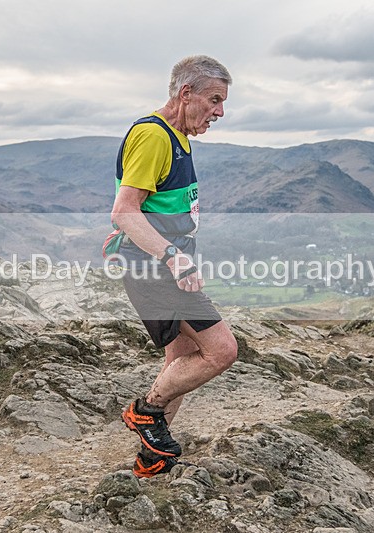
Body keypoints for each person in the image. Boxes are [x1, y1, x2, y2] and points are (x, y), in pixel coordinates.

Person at [108, 55, 238, 477]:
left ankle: (152, 459)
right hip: (155, 267)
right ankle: (147, 412)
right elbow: (125, 211)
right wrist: (171, 255)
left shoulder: (178, 137)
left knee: (180, 357)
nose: (219, 111)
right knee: (220, 350)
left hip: (163, 261)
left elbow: (146, 208)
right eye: (214, 100)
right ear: (186, 94)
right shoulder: (154, 136)